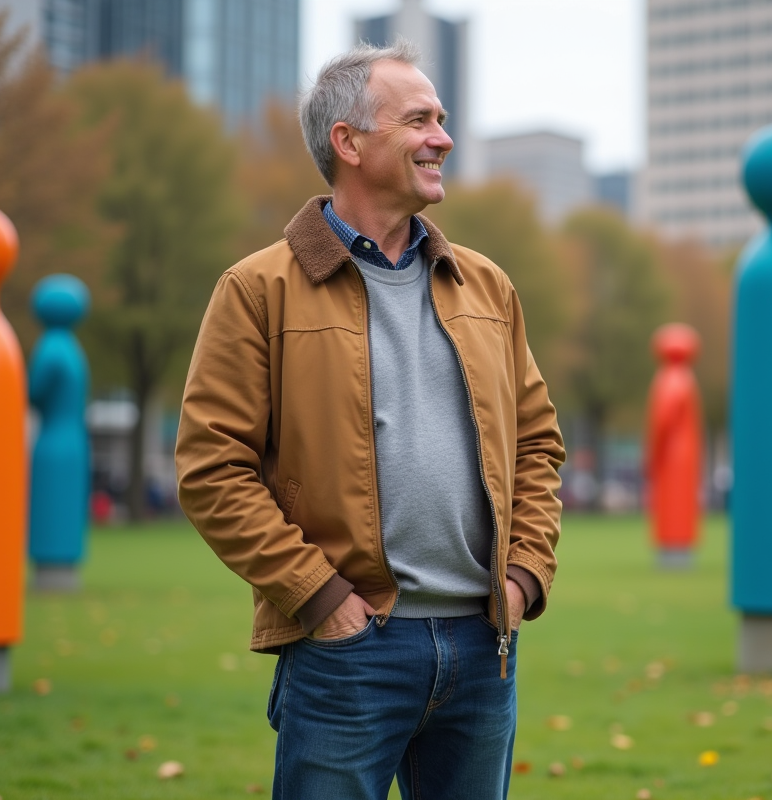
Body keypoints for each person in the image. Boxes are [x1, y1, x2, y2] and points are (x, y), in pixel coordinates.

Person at [174, 40, 565, 799]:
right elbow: (211, 468)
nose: (443, 138)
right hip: (346, 652)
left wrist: (522, 578)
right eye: (419, 119)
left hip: (484, 650)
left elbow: (538, 444)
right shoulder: (256, 290)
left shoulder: (489, 286)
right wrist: (320, 599)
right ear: (348, 142)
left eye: (442, 119)